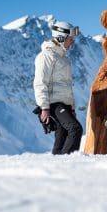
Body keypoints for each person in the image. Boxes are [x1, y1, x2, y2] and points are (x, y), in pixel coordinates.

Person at [33, 21, 83, 155]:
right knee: (75, 129)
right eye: (70, 38)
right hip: (54, 104)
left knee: (63, 136)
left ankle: (57, 165)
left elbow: (66, 86)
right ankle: (67, 163)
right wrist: (44, 107)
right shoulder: (46, 56)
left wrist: (71, 107)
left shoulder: (63, 58)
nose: (72, 41)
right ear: (61, 38)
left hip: (64, 104)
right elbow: (40, 83)